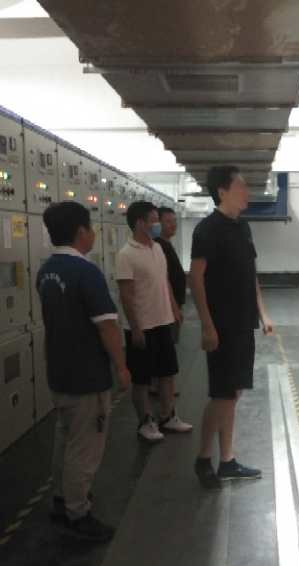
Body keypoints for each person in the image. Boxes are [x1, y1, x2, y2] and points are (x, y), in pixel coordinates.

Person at [37, 201, 131, 542]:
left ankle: (61, 499)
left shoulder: (46, 271)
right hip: (87, 376)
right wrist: (121, 366)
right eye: (91, 228)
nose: (94, 234)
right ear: (81, 232)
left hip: (59, 371)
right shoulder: (86, 272)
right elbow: (107, 326)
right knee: (85, 447)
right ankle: (78, 513)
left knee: (65, 438)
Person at [190, 166, 274, 488]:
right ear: (222, 191)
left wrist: (263, 313)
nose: (246, 192)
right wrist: (207, 325)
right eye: (241, 186)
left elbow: (250, 274)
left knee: (232, 393)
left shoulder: (243, 227)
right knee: (222, 395)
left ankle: (227, 460)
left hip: (242, 324)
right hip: (222, 325)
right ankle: (203, 458)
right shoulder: (207, 230)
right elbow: (196, 278)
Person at [116, 201, 192, 443]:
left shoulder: (157, 248)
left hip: (163, 321)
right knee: (141, 379)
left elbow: (164, 280)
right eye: (153, 219)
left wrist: (173, 308)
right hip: (142, 326)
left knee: (168, 373)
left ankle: (167, 416)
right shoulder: (126, 255)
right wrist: (135, 328)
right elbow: (126, 295)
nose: (157, 224)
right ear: (140, 223)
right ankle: (145, 422)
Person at [154, 206, 186, 343]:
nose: (173, 225)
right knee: (168, 344)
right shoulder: (159, 246)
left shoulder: (166, 244)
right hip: (167, 308)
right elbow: (164, 279)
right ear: (158, 224)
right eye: (168, 221)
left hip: (174, 305)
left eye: (174, 221)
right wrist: (174, 308)